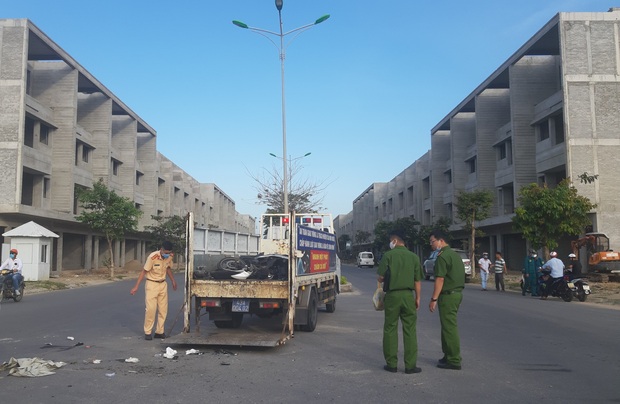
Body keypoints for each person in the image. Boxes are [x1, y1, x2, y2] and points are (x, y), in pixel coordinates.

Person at [377, 231, 422, 374]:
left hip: (392, 296)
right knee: (410, 330)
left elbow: (381, 277)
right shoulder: (414, 257)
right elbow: (417, 281)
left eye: (391, 241)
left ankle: (391, 364)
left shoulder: (388, 256)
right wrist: (418, 298)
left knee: (390, 328)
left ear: (394, 241)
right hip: (408, 295)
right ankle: (410, 366)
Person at [428, 230, 464, 371]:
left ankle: (454, 359)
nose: (431, 244)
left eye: (433, 241)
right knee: (446, 327)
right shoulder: (455, 255)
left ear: (441, 240)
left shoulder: (443, 257)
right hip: (456, 293)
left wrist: (434, 298)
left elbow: (440, 279)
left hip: (448, 295)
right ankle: (448, 354)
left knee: (449, 328)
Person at [130, 241, 177, 340]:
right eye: (166, 252)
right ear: (161, 249)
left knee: (163, 310)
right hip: (152, 284)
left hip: (163, 284)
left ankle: (159, 332)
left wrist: (173, 280)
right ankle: (148, 332)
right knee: (151, 310)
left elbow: (168, 268)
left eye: (169, 253)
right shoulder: (152, 257)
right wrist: (136, 286)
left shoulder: (169, 257)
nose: (167, 254)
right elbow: (144, 271)